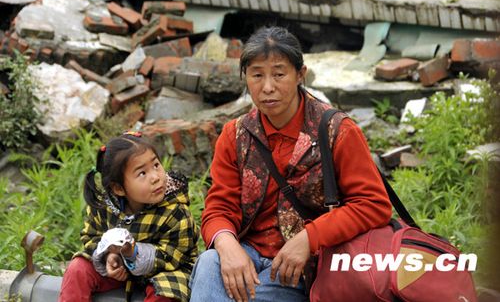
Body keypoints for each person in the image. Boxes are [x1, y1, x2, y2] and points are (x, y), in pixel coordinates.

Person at [189, 26, 393, 302]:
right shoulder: (234, 134)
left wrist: (309, 238)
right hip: (247, 254)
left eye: (279, 73)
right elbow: (219, 207)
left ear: (300, 74)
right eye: (257, 75)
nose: (268, 87)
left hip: (308, 266)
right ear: (245, 78)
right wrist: (227, 246)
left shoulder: (337, 131)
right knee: (209, 263)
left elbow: (373, 204)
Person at [59, 131, 199, 302]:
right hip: (121, 272)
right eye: (142, 173)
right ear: (118, 188)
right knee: (78, 268)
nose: (156, 177)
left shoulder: (175, 211)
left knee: (166, 293)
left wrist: (134, 253)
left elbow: (175, 255)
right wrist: (110, 256)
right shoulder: (104, 208)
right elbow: (90, 236)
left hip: (166, 271)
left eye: (156, 165)